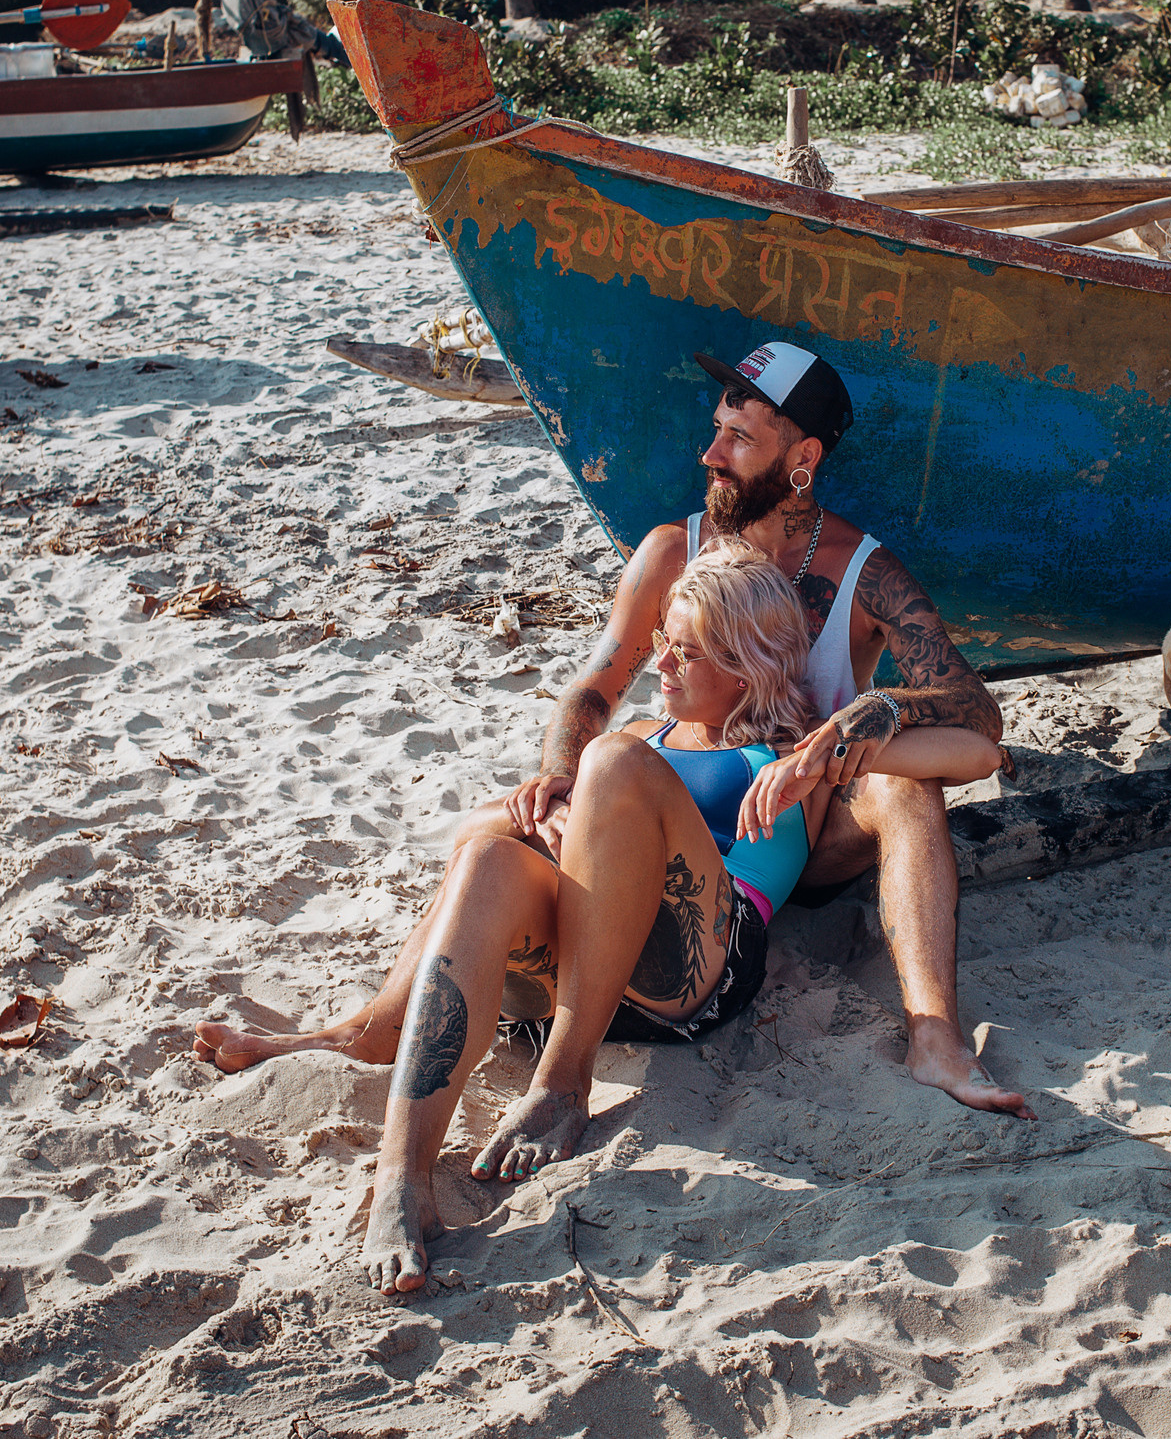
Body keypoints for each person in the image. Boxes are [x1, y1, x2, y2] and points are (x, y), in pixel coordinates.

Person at [197, 341, 1023, 1118]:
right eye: (716, 430)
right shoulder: (673, 551)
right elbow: (593, 692)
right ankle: (365, 1029)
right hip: (681, 812)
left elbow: (975, 714)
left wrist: (853, 725)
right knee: (499, 824)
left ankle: (935, 1037)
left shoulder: (862, 570)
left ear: (801, 461)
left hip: (811, 808)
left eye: (739, 437)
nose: (712, 453)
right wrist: (560, 779)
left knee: (902, 783)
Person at [196, 545, 998, 1295]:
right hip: (585, 962)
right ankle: (401, 1179)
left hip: (699, 964)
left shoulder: (797, 751)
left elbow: (974, 756)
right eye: (661, 641)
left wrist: (857, 726)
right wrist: (533, 813)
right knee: (490, 858)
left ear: (747, 660)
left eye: (684, 650)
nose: (660, 663)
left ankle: (562, 1083)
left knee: (609, 757)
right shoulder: (647, 732)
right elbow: (461, 841)